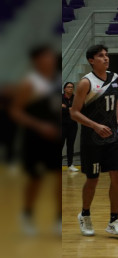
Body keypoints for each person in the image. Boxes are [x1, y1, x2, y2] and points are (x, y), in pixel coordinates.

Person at [69, 44, 118, 238]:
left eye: (107, 55)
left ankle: (114, 221)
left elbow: (116, 100)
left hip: (112, 136)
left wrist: (117, 118)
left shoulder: (115, 78)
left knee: (117, 176)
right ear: (91, 60)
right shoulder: (86, 83)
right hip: (92, 139)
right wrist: (95, 125)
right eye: (101, 56)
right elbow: (74, 112)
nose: (106, 58)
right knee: (92, 180)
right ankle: (85, 214)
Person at [10, 46, 61, 235]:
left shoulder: (58, 79)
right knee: (36, 178)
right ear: (37, 60)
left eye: (51, 55)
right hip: (35, 138)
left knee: (59, 176)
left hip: (55, 137)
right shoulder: (30, 83)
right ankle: (27, 214)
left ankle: (59, 219)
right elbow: (15, 111)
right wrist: (39, 126)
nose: (50, 59)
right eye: (46, 56)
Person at [62, 81, 79, 172]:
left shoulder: (75, 98)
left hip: (72, 125)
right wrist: (69, 108)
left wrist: (65, 108)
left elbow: (76, 110)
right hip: (61, 125)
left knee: (70, 145)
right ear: (64, 89)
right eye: (68, 87)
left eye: (72, 87)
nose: (70, 88)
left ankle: (70, 164)